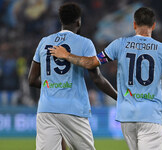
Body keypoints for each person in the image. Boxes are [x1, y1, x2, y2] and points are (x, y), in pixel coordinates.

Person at [49, 7, 162, 150]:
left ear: (134, 24)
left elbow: (91, 63)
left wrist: (67, 55)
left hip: (127, 117)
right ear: (154, 25)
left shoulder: (119, 44)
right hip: (150, 115)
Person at [28, 2, 117, 150]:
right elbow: (97, 78)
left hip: (46, 109)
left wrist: (53, 83)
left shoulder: (44, 42)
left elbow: (32, 79)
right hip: (73, 108)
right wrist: (119, 98)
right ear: (78, 21)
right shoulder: (85, 43)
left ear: (61, 20)